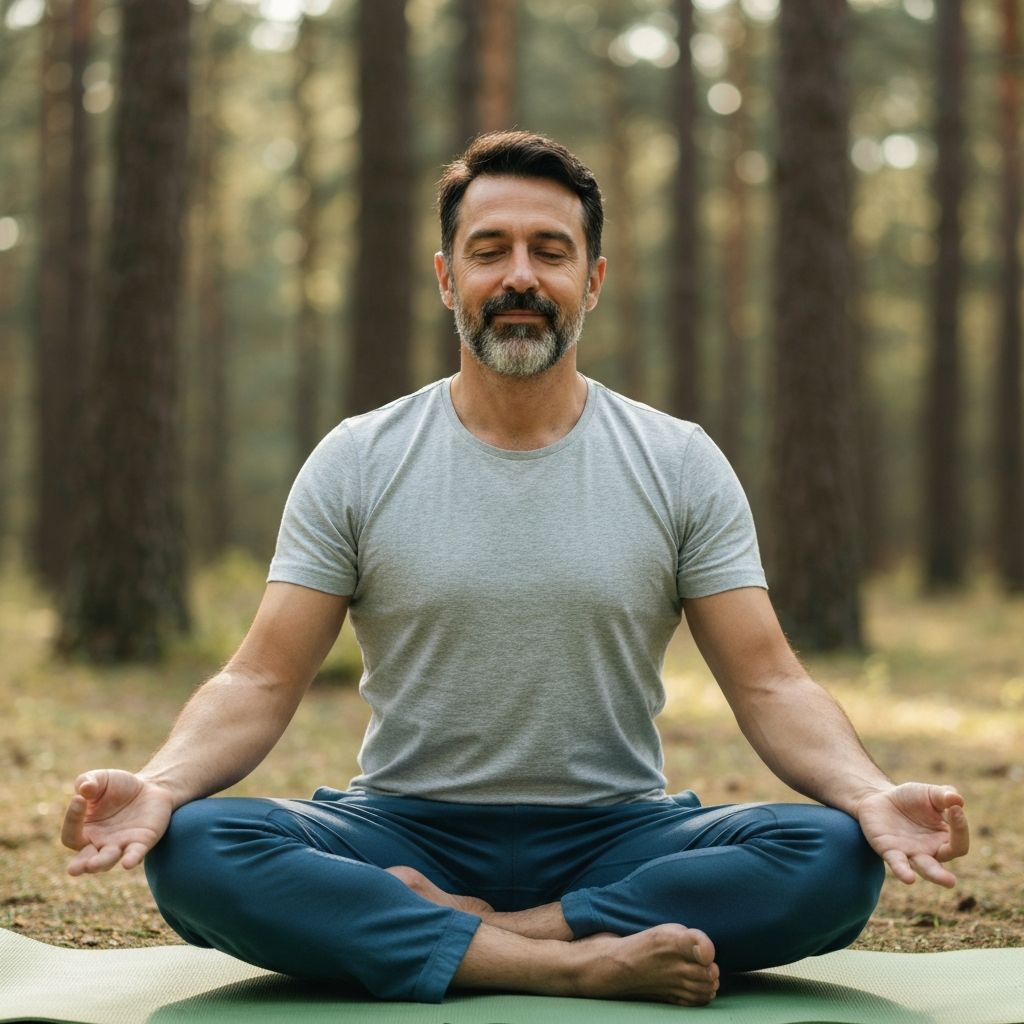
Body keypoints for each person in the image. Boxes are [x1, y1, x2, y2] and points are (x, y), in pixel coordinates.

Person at [61, 131, 969, 1009]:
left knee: (833, 854)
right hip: (400, 830)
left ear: (594, 280)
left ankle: (493, 937)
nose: (521, 277)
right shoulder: (358, 458)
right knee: (199, 847)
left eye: (551, 251)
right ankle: (572, 964)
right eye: (490, 251)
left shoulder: (679, 461)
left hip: (619, 837)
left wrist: (869, 793)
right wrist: (166, 784)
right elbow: (260, 677)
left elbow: (771, 683)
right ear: (447, 277)